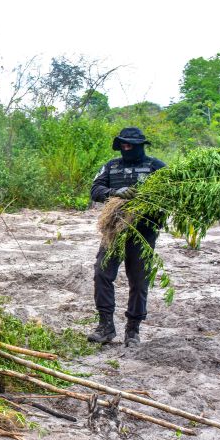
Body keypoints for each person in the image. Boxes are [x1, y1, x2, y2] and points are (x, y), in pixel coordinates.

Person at [88, 127, 165, 347]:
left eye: (130, 143)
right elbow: (95, 189)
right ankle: (105, 326)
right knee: (102, 273)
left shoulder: (156, 168)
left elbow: (170, 197)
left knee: (139, 280)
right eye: (123, 143)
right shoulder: (111, 166)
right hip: (114, 229)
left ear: (141, 145)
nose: (126, 146)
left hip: (143, 233)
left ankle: (133, 330)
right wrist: (115, 193)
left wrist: (147, 199)